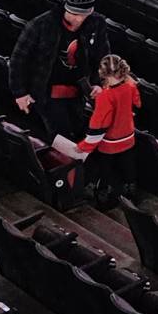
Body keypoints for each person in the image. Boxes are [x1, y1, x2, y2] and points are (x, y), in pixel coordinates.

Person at [10, 0, 114, 144]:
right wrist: (19, 92)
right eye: (74, 13)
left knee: (79, 130)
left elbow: (103, 58)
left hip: (78, 91)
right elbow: (18, 59)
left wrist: (99, 84)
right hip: (47, 91)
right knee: (61, 136)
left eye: (83, 15)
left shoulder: (97, 23)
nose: (78, 19)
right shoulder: (41, 25)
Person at [57, 53, 140, 203]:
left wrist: (83, 146)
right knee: (128, 164)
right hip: (128, 135)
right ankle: (131, 190)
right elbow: (137, 103)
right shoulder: (131, 86)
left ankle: (101, 194)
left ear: (103, 73)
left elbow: (99, 126)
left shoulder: (105, 97)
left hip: (110, 141)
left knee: (105, 168)